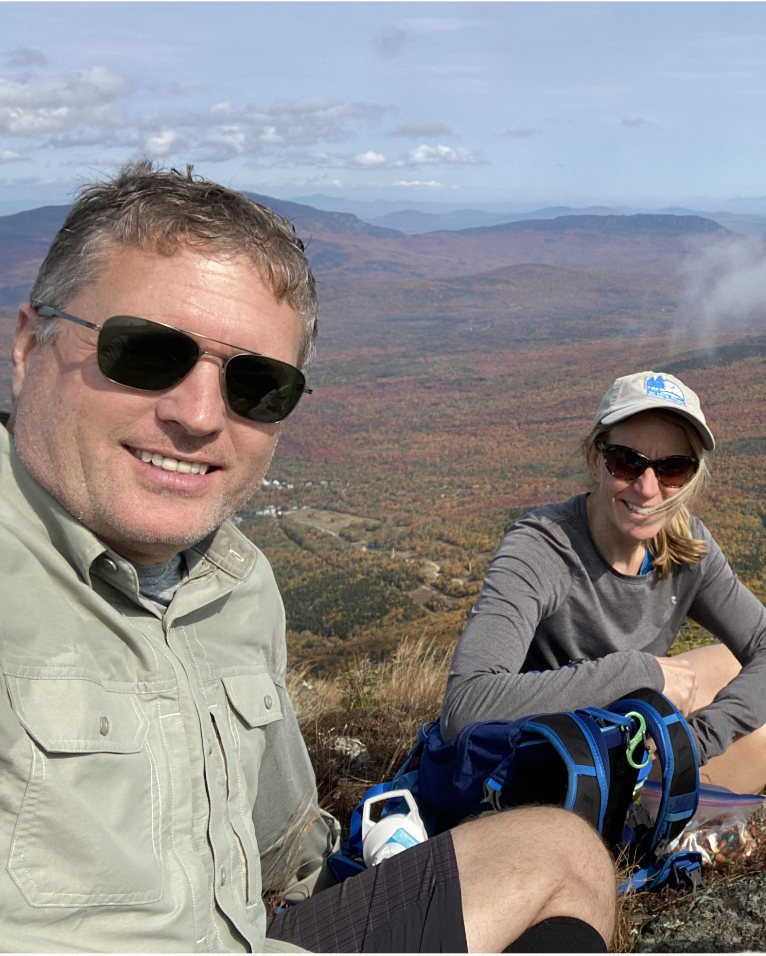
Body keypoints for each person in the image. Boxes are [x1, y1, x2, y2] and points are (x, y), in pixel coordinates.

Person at [0, 161, 616, 953]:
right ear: (28, 344)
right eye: (145, 353)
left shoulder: (239, 585)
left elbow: (287, 853)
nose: (196, 415)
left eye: (256, 385)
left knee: (560, 853)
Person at [442, 371, 766, 796]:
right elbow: (465, 707)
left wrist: (700, 737)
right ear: (597, 459)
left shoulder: (686, 545)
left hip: (633, 740)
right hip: (558, 766)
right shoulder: (544, 549)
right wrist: (636, 671)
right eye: (627, 461)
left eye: (673, 468)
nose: (648, 488)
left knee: (734, 663)